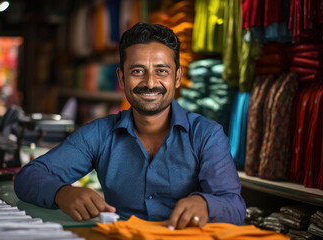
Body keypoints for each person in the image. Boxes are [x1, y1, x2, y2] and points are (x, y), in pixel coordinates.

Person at [14, 22, 246, 230]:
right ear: (122, 78)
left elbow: (234, 205)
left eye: (161, 71)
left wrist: (205, 203)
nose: (150, 83)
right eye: (137, 72)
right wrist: (62, 193)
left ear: (177, 78)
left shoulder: (207, 135)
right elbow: (28, 177)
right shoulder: (99, 134)